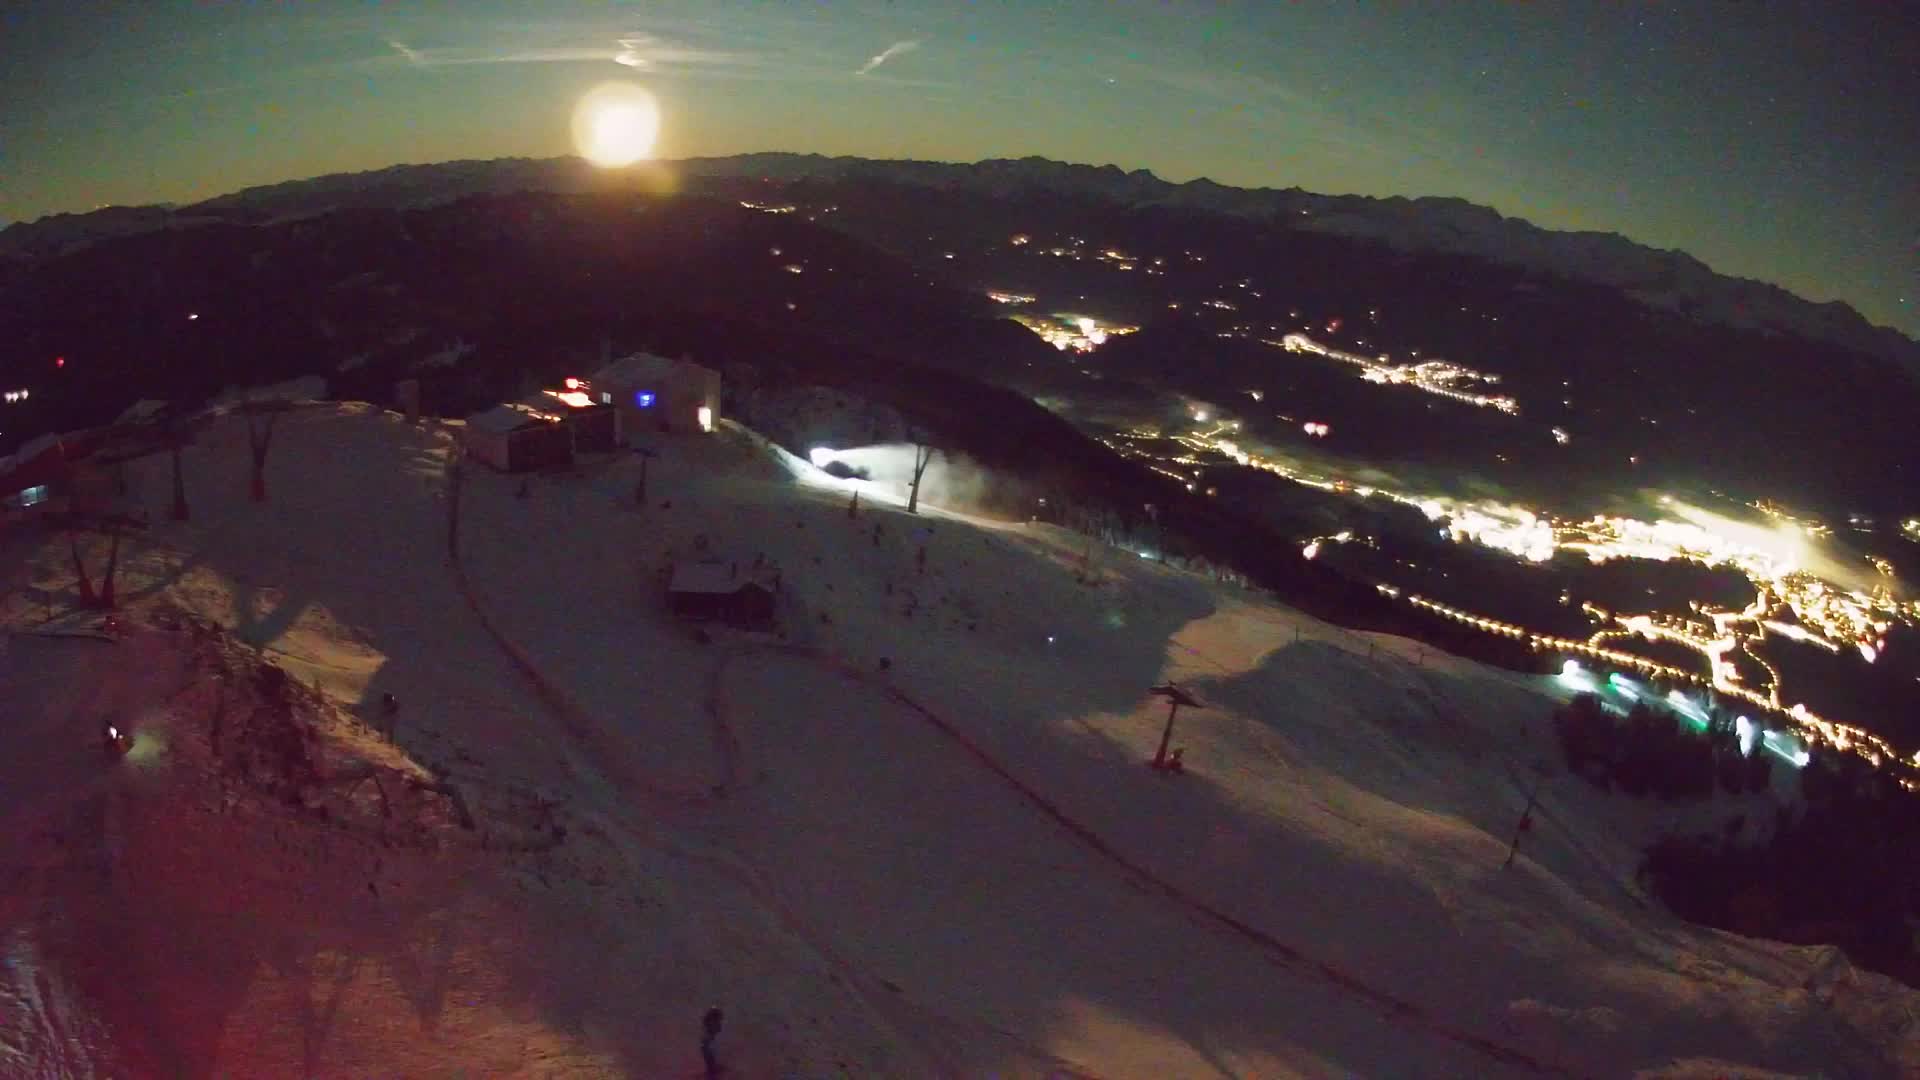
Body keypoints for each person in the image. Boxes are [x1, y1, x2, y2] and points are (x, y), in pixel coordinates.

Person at [701, 1006, 724, 1078]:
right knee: (710, 1058)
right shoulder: (711, 1023)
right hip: (707, 1043)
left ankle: (711, 1072)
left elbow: (717, 1030)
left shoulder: (710, 1022)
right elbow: (715, 1030)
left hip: (707, 1043)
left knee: (710, 1058)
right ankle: (711, 1072)